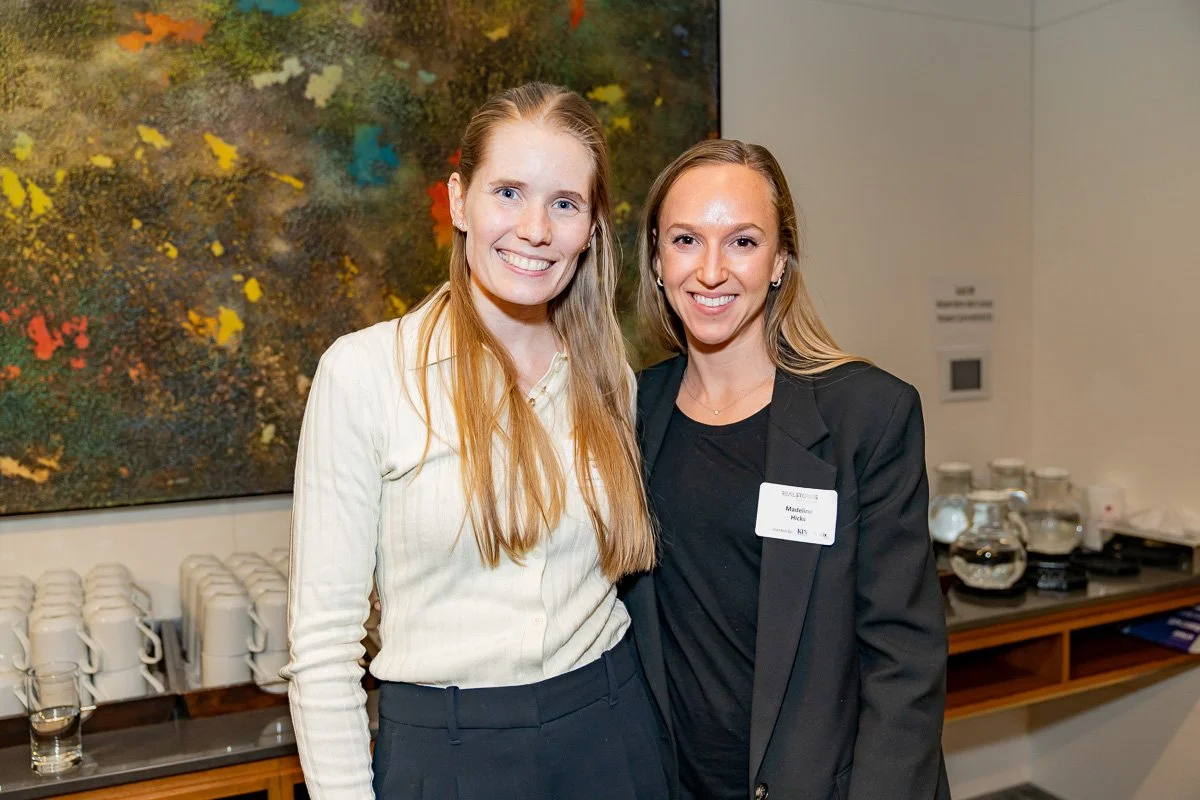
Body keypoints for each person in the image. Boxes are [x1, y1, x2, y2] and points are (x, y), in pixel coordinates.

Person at [283, 83, 667, 800]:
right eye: (509, 192)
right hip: (448, 756)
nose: (535, 229)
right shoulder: (365, 373)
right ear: (459, 201)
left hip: (612, 734)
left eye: (564, 203)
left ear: (591, 227)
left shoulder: (609, 375)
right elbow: (323, 648)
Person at [623, 139, 950, 800]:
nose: (710, 271)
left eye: (742, 242)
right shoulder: (628, 412)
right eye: (686, 240)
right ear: (657, 258)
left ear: (779, 261)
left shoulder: (866, 414)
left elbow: (905, 661)